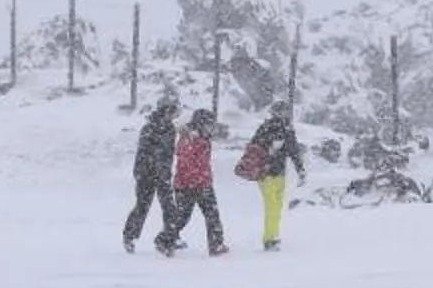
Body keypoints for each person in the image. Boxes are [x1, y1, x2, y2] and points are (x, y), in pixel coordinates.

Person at [236, 104, 308, 251]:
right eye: (281, 111)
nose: (284, 114)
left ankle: (273, 236)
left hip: (276, 174)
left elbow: (293, 151)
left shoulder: (279, 128)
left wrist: (300, 169)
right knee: (273, 207)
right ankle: (269, 239)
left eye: (285, 111)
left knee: (276, 207)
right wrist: (270, 150)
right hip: (267, 173)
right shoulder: (272, 128)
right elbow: (254, 149)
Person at [160, 110, 228, 257]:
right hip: (188, 184)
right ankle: (164, 240)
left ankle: (216, 244)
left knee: (212, 215)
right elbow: (185, 161)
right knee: (182, 216)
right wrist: (194, 181)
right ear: (201, 123)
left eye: (212, 125)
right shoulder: (188, 139)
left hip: (202, 182)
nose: (211, 128)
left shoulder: (202, 137)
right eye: (209, 124)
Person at [122, 95, 178, 252]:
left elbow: (169, 153)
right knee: (142, 206)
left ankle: (169, 238)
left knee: (169, 207)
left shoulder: (171, 129)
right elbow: (143, 153)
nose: (173, 117)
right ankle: (129, 236)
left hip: (163, 175)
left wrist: (166, 171)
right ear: (163, 112)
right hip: (146, 174)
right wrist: (143, 172)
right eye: (171, 113)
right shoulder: (149, 128)